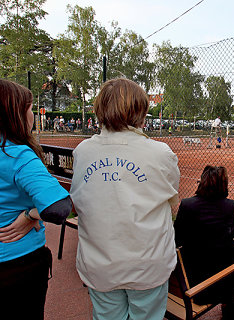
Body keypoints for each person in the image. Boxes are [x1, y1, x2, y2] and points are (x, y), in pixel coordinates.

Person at [70, 78, 180, 320]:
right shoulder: (160, 153)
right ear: (139, 111)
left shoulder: (82, 151)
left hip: (99, 264)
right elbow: (172, 193)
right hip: (147, 266)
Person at [0, 79, 72, 319]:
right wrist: (30, 214)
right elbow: (59, 207)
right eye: (30, 108)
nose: (33, 114)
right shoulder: (16, 154)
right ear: (15, 113)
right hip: (16, 265)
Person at [174, 165, 234, 307]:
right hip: (216, 287)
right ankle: (231, 304)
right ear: (224, 185)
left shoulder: (187, 205)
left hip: (190, 282)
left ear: (202, 182)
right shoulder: (229, 206)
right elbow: (231, 234)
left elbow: (177, 238)